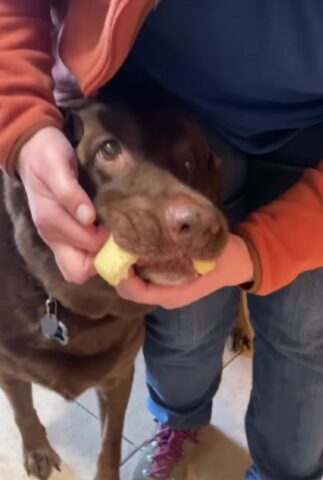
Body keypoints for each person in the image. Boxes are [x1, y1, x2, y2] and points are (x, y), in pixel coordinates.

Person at [1, 1, 323, 479]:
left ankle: (288, 473)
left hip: (310, 127)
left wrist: (260, 252)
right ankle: (178, 423)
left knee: (302, 334)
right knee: (182, 327)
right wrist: (22, 121)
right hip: (144, 103)